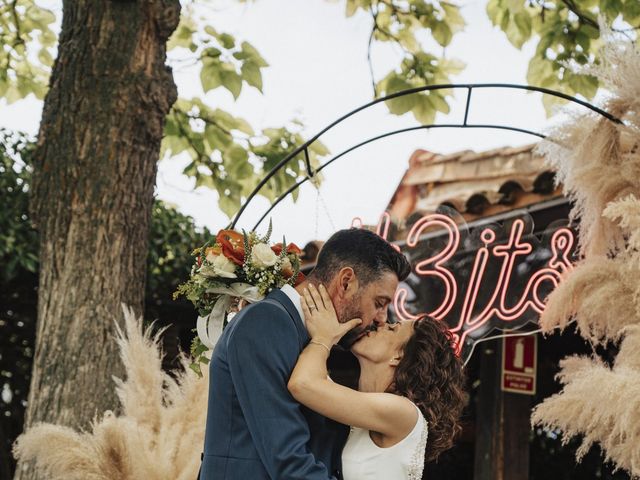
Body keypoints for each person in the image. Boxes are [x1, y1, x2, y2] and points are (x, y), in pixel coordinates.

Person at [198, 228, 412, 479]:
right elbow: (288, 460)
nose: (381, 319)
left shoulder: (311, 338)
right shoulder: (266, 322)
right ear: (345, 282)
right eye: (379, 303)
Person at [288, 284, 467, 480]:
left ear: (399, 357)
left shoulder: (403, 412)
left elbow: (302, 384)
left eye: (392, 328)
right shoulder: (368, 409)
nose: (381, 323)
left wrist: (323, 337)